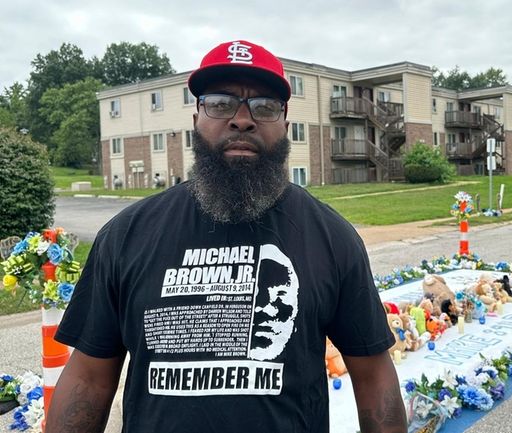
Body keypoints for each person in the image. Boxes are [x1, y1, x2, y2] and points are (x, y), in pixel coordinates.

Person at [48, 40, 406, 433]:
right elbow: (88, 376)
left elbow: (373, 375)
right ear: (195, 119)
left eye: (264, 106)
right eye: (220, 103)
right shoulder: (127, 235)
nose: (241, 119)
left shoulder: (331, 238)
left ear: (285, 124)